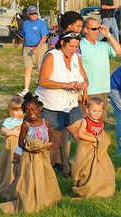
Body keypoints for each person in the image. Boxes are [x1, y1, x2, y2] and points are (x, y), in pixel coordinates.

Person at [35, 31, 89, 175]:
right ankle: (46, 174)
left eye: (76, 47)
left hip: (70, 104)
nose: (74, 50)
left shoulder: (76, 58)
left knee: (83, 136)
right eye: (71, 46)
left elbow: (85, 78)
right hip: (51, 105)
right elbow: (42, 81)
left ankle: (84, 170)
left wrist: (84, 85)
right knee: (54, 143)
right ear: (62, 43)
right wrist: (66, 84)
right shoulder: (52, 56)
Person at [1, 92, 60, 214]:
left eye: (33, 109)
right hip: (29, 157)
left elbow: (49, 138)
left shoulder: (46, 123)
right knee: (29, 178)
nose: (31, 113)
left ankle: (44, 199)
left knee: (44, 176)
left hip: (43, 157)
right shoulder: (25, 125)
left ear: (40, 108)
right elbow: (20, 143)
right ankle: (29, 200)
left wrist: (51, 144)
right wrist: (30, 148)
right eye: (27, 111)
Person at [80, 16, 121, 121]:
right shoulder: (80, 45)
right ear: (85, 30)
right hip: (88, 91)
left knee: (99, 124)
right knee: (86, 125)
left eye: (98, 29)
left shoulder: (103, 45)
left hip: (103, 90)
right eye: (94, 29)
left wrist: (108, 34)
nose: (97, 32)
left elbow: (120, 51)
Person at [71, 97, 116, 199]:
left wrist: (100, 141)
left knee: (99, 169)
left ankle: (98, 188)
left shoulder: (100, 123)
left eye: (99, 111)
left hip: (97, 150)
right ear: (87, 110)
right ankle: (83, 187)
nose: (97, 113)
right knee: (85, 169)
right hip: (86, 149)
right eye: (94, 111)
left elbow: (101, 135)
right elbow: (81, 134)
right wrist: (94, 140)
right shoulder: (85, 121)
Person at [18, 5, 49, 97]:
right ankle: (26, 89)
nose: (34, 15)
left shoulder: (41, 23)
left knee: (41, 68)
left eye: (35, 13)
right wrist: (23, 48)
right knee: (28, 68)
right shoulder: (26, 24)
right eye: (32, 14)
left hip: (40, 47)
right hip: (28, 48)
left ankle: (41, 88)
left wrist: (38, 47)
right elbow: (24, 36)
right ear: (28, 14)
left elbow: (44, 37)